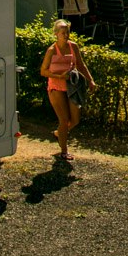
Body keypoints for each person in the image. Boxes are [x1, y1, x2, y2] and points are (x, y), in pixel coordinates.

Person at [38, 18, 95, 164]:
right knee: (63, 120)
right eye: (62, 32)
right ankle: (64, 151)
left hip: (71, 85)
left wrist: (90, 80)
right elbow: (43, 71)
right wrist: (59, 76)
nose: (65, 35)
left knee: (75, 120)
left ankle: (59, 133)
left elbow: (81, 65)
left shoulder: (73, 47)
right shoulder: (51, 50)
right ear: (56, 34)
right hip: (56, 86)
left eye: (67, 32)